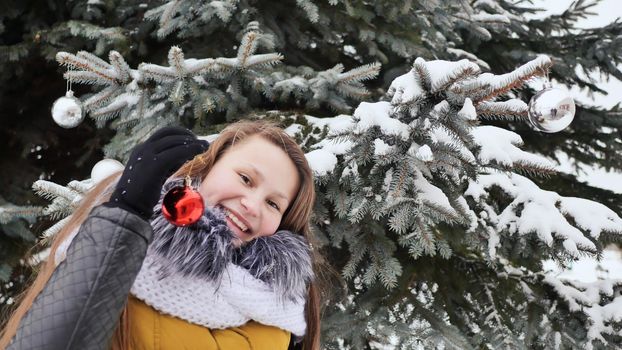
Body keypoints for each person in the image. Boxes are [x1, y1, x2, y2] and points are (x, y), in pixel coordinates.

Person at [0, 120, 321, 350]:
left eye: (273, 203)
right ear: (204, 170)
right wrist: (125, 218)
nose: (253, 205)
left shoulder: (279, 314)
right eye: (246, 179)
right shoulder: (120, 256)